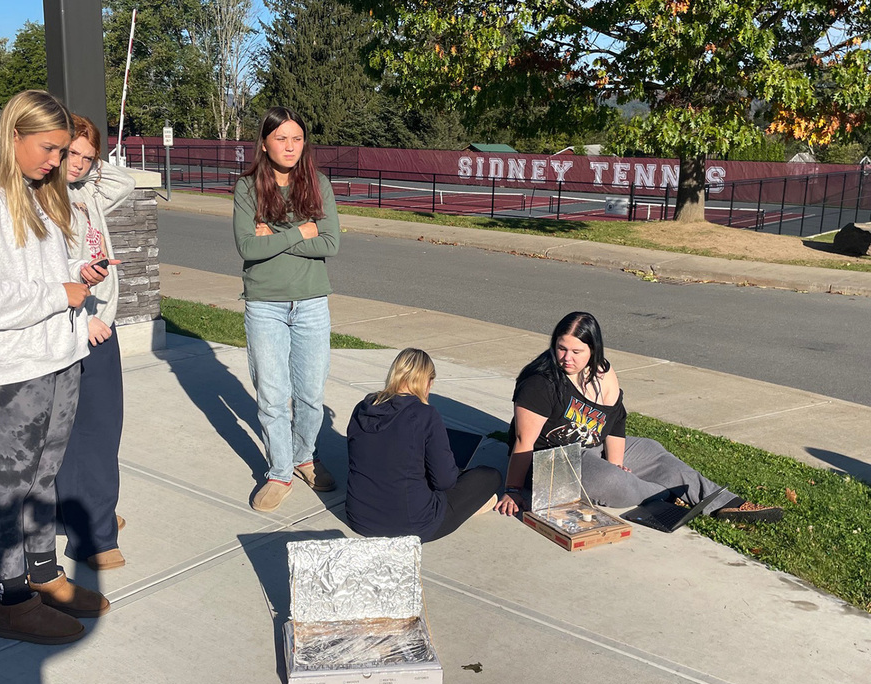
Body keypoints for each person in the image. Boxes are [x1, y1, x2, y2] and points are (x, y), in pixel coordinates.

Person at [0, 90, 111, 644]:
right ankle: (13, 600)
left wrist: (77, 279)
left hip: (60, 352)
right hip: (15, 362)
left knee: (45, 475)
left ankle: (44, 574)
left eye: (62, 151)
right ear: (13, 135)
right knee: (12, 484)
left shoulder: (39, 191)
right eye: (49, 148)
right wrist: (56, 294)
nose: (57, 161)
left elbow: (42, 272)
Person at [495, 311, 783, 523]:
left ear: (594, 350)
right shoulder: (540, 382)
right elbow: (523, 441)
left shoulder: (602, 373)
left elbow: (615, 420)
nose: (567, 358)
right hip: (552, 462)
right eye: (561, 348)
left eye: (577, 351)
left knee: (652, 452)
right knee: (615, 484)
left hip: (590, 449)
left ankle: (726, 503)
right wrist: (512, 490)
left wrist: (617, 462)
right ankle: (669, 497)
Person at [232, 106, 341, 512]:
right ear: (264, 143)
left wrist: (273, 233)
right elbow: (248, 247)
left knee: (311, 395)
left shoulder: (319, 186)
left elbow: (330, 244)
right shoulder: (248, 189)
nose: (290, 146)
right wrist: (299, 231)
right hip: (265, 305)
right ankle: (279, 471)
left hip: (311, 302)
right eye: (281, 138)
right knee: (273, 395)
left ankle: (304, 457)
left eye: (297, 139)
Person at [55, 115, 136, 571]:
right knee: (90, 433)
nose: (82, 164)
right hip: (80, 325)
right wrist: (84, 317)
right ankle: (94, 537)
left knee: (93, 430)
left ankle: (85, 516)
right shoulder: (45, 197)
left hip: (99, 321)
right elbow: (49, 266)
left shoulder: (85, 192)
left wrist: (92, 155)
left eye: (89, 157)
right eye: (73, 153)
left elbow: (121, 182)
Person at [346, 348, 503, 542]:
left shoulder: (362, 409)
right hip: (413, 525)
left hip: (359, 519)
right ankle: (473, 504)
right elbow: (444, 482)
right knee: (490, 476)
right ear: (427, 382)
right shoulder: (425, 415)